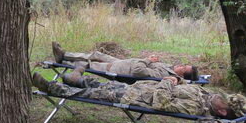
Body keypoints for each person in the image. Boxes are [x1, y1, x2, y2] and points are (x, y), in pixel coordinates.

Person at [31, 72, 246, 119]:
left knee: (90, 92)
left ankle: (50, 87)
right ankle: (71, 78)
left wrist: (166, 82)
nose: (223, 95)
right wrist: (178, 80)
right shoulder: (207, 95)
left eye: (226, 99)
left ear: (221, 110)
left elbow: (161, 103)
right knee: (101, 83)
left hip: (134, 98)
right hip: (137, 88)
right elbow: (184, 84)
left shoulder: (195, 108)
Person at [51, 41, 200, 81]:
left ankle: (63, 61)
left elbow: (138, 71)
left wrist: (147, 59)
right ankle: (65, 54)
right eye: (184, 64)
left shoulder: (163, 75)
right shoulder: (168, 67)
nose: (180, 65)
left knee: (89, 65)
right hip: (124, 62)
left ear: (180, 76)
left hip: (121, 71)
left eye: (183, 68)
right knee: (97, 53)